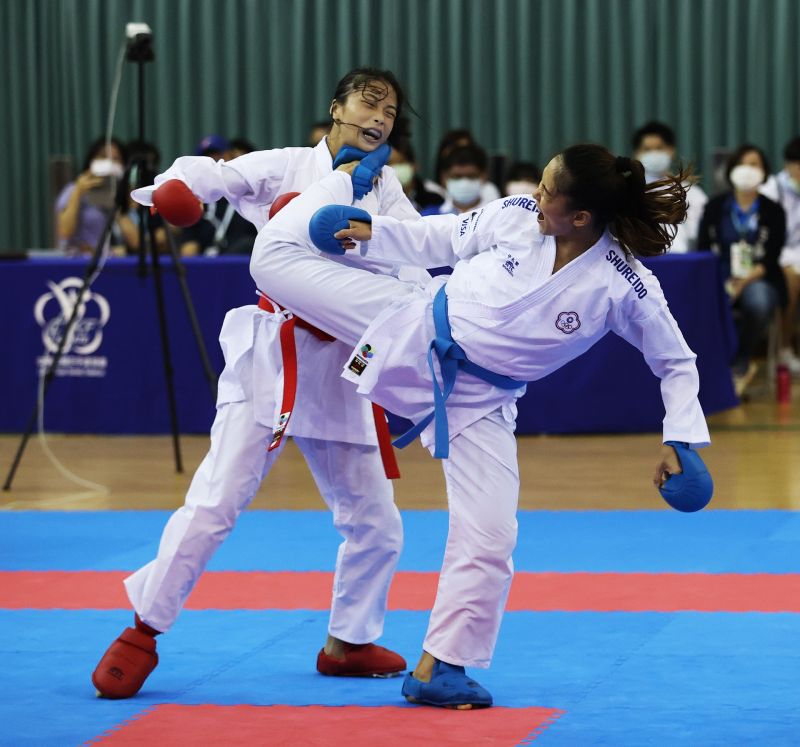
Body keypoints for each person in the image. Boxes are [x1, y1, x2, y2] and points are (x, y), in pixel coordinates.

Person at [252, 143, 711, 709]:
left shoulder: (625, 285)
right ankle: (345, 180)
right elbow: (436, 239)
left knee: (492, 535)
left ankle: (440, 665)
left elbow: (676, 361)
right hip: (410, 324)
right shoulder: (518, 216)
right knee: (271, 261)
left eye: (548, 191)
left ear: (582, 217)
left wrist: (682, 439)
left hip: (481, 401)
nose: (534, 196)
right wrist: (365, 228)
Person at [92, 67, 424, 699]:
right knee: (217, 502)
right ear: (338, 107)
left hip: (341, 370)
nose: (380, 116)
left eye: (391, 110)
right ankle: (142, 630)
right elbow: (214, 175)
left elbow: (413, 258)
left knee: (377, 523)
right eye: (369, 101)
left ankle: (348, 642)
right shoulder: (289, 165)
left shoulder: (386, 192)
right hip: (271, 358)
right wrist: (177, 189)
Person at [697, 143, 787, 397]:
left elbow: (771, 257)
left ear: (765, 172)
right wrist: (723, 282)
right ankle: (712, 367)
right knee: (707, 302)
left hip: (759, 276)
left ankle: (740, 360)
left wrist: (742, 283)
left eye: (755, 164)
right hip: (720, 274)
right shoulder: (715, 207)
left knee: (758, 302)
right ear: (732, 169)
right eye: (742, 164)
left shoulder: (773, 210)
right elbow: (704, 248)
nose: (748, 170)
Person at [631, 121, 708, 253]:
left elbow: (699, 236)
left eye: (659, 148)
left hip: (682, 263)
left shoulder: (693, 193)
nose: (654, 154)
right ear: (637, 154)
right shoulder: (627, 193)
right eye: (647, 149)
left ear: (671, 150)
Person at [55, 136, 138, 256]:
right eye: (103, 156)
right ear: (91, 160)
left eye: (116, 158)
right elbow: (64, 232)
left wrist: (115, 203)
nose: (109, 162)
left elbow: (135, 242)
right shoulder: (73, 190)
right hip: (79, 261)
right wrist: (78, 192)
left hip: (113, 262)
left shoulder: (127, 195)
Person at [761, 136, 800, 374]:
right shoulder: (772, 189)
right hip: (779, 256)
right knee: (790, 283)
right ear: (788, 165)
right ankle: (784, 350)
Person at [422, 143, 496, 216]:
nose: (464, 183)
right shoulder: (429, 216)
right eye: (457, 177)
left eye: (471, 176)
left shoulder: (496, 215)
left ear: (484, 176)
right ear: (444, 177)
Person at [388, 137, 444, 212]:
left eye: (400, 162)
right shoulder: (378, 197)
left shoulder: (435, 195)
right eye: (389, 164)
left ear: (414, 165)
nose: (394, 168)